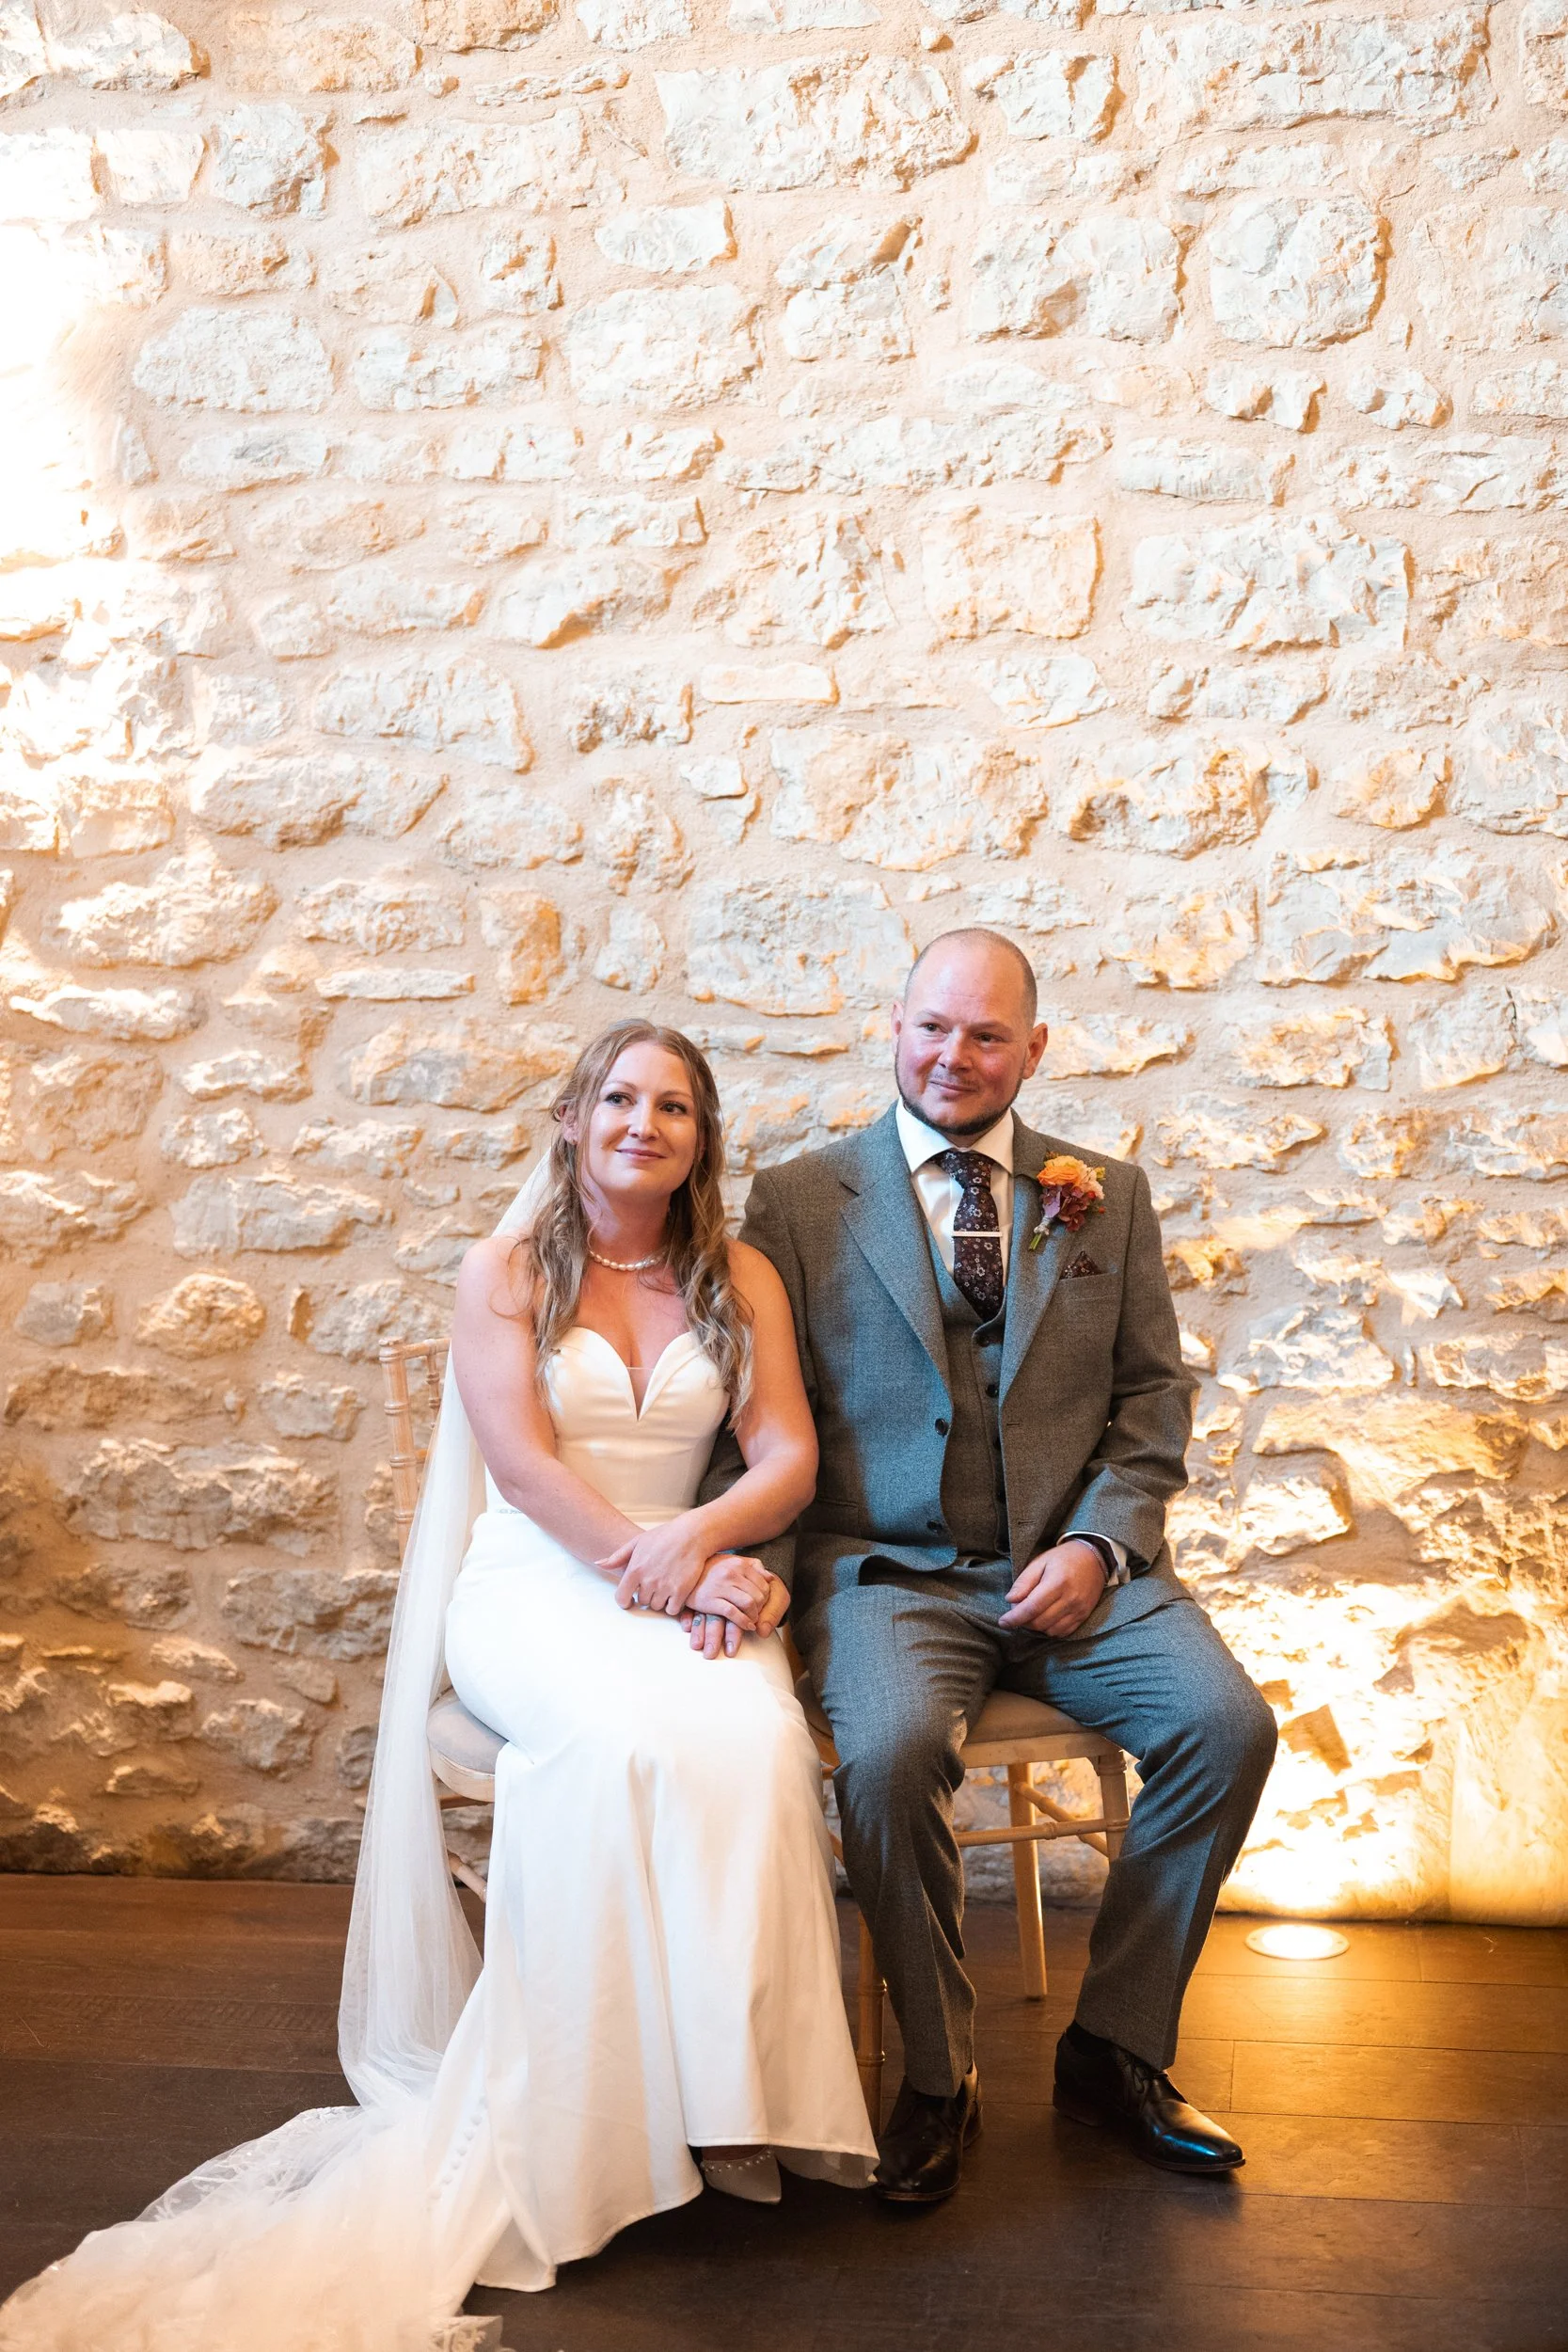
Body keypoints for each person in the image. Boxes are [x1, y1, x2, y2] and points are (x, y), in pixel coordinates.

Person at [0, 1022, 874, 2352]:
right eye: (622, 1099)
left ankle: (730, 2102)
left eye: (676, 1108)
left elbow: (784, 1459)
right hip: (536, 1582)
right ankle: (598, 2124)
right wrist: (676, 1573)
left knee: (753, 1745)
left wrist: (703, 1551)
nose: (646, 1123)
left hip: (670, 1565)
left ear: (701, 1138)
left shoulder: (736, 1272)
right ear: (575, 1120)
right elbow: (521, 1473)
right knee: (614, 1748)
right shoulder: (507, 1270)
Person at [702, 929, 1278, 2204]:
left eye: (984, 1035)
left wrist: (1097, 1539)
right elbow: (759, 1415)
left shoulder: (1103, 1193)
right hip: (889, 1578)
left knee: (1226, 1729)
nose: (953, 1057)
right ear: (891, 1025)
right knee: (896, 1755)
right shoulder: (798, 1203)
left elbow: (1148, 1401)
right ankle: (936, 2078)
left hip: (1079, 1576)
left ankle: (1114, 2048)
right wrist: (756, 1573)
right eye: (931, 1028)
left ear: (1032, 1049)